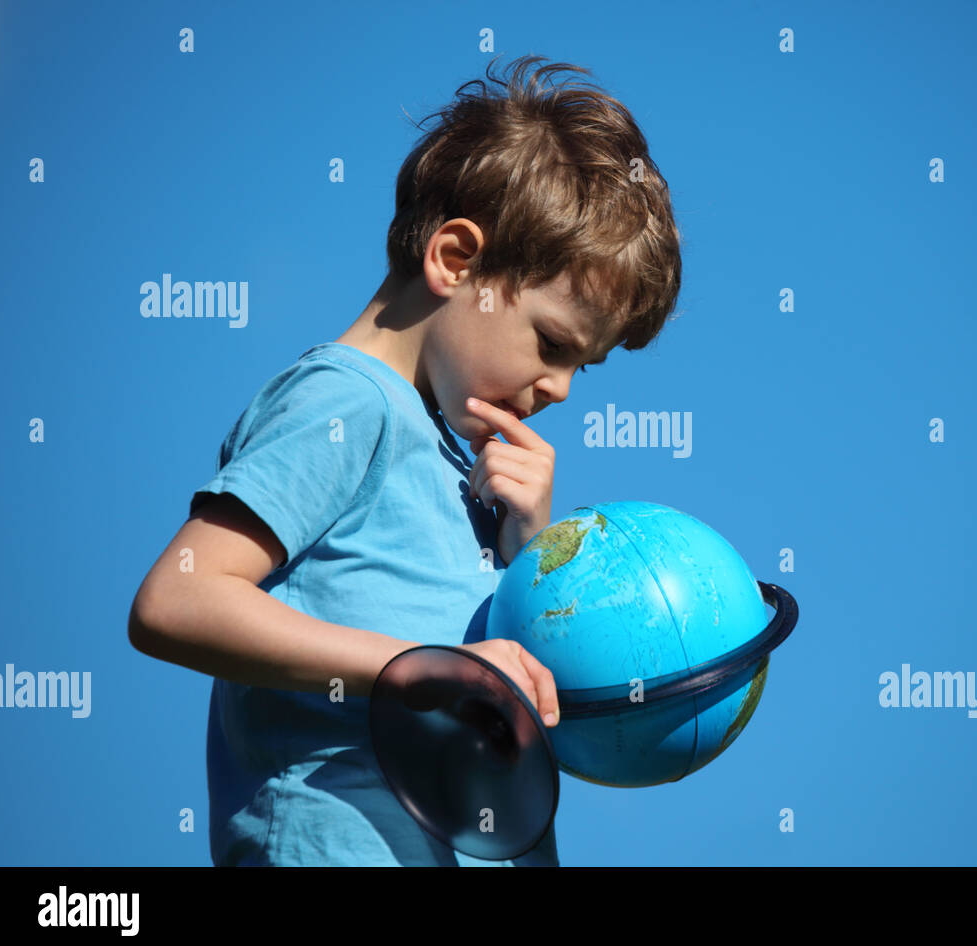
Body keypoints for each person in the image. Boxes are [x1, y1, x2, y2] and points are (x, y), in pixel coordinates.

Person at [125, 53, 682, 866]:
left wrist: (527, 551)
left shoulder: (460, 471)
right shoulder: (349, 402)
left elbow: (512, 691)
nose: (561, 388)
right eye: (553, 344)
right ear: (456, 261)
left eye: (583, 367)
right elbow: (175, 600)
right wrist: (421, 669)